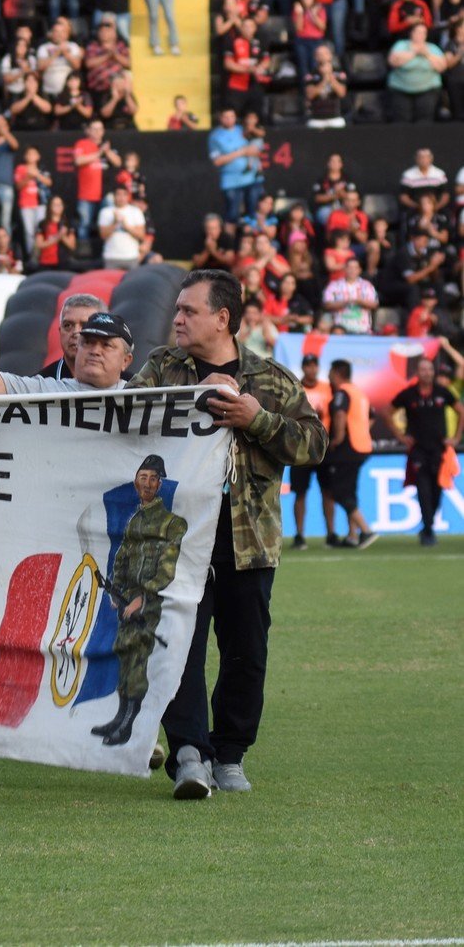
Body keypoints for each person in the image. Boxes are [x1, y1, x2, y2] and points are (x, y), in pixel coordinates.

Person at [128, 269, 327, 799]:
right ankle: (190, 754)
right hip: (176, 539)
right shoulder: (160, 369)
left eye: (189, 311)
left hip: (248, 542)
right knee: (179, 648)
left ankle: (231, 753)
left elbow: (314, 445)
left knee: (247, 652)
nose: (177, 318)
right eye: (176, 310)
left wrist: (256, 419)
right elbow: (123, 428)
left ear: (223, 318)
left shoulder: (273, 379)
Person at [91, 454, 188, 746]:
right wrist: (116, 591)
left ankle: (130, 725)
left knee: (137, 656)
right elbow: (122, 557)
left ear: (160, 484)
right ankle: (121, 717)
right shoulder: (135, 519)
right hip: (127, 599)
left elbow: (167, 568)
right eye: (142, 477)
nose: (146, 484)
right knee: (125, 653)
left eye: (152, 478)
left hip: (150, 602)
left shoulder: (172, 523)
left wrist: (142, 598)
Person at [0, 290, 135, 394]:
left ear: (126, 361)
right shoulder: (46, 388)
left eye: (106, 344)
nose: (95, 350)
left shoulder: (145, 395)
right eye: (88, 342)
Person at [384, 357, 463, 546]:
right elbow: (387, 411)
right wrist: (401, 436)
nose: (426, 373)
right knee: (423, 489)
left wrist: (456, 438)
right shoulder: (409, 394)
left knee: (437, 490)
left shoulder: (442, 393)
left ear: (433, 372)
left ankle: (428, 525)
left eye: (429, 369)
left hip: (439, 450)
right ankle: (428, 530)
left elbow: (461, 411)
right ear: (417, 373)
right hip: (418, 450)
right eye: (423, 369)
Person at [322, 358, 377, 549]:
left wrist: (338, 437)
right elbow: (372, 416)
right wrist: (362, 431)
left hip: (347, 448)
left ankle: (366, 530)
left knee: (338, 491)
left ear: (337, 373)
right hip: (362, 446)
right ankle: (353, 535)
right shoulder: (359, 393)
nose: (328, 375)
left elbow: (339, 414)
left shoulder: (342, 393)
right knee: (350, 490)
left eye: (330, 371)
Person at [286, 354, 332, 551]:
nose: (311, 369)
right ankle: (299, 534)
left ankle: (331, 533)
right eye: (307, 366)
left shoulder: (328, 388)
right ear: (303, 368)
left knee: (328, 492)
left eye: (314, 366)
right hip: (301, 446)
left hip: (325, 446)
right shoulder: (295, 387)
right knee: (300, 493)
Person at [39, 293, 109, 379]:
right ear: (60, 331)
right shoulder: (39, 387)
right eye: (68, 325)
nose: (76, 333)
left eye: (85, 325)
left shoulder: (126, 387)